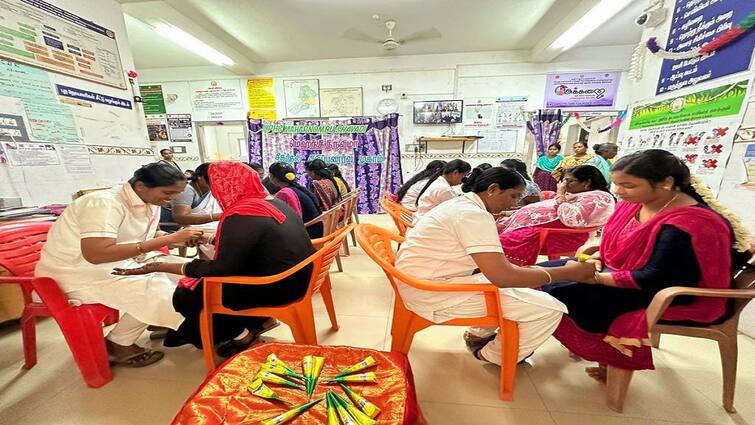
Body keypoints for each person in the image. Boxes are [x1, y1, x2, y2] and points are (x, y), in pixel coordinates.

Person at [541, 150, 752, 378]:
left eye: (628, 185)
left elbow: (655, 278)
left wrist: (592, 277)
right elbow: (615, 242)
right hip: (628, 274)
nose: (619, 192)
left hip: (664, 292)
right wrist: (597, 257)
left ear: (666, 183)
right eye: (617, 184)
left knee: (560, 290)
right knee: (547, 272)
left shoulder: (691, 224)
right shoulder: (637, 203)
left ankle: (608, 357)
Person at [395, 166, 596, 365]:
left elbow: (498, 270)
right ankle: (492, 356)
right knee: (550, 310)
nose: (514, 203)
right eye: (512, 196)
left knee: (519, 284)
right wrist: (568, 273)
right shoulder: (472, 214)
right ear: (492, 189)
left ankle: (478, 335)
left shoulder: (462, 205)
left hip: (422, 281)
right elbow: (502, 277)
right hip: (432, 291)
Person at [113, 161, 316, 355]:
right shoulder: (271, 203)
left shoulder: (241, 213)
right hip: (297, 279)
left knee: (188, 296)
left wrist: (161, 266)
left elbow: (222, 269)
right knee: (197, 284)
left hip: (275, 288)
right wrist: (210, 239)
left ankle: (242, 337)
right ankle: (257, 322)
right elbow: (254, 243)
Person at [36, 163, 203, 367]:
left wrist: (178, 239)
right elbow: (96, 253)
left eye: (176, 194)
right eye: (168, 193)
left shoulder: (149, 201)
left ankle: (166, 321)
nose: (172, 199)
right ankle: (118, 344)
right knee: (157, 289)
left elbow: (147, 236)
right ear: (141, 186)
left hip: (119, 261)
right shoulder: (102, 203)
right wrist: (170, 239)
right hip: (79, 272)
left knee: (191, 272)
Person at [498, 165, 615, 266]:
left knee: (499, 242)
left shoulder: (599, 197)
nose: (565, 185)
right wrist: (515, 213)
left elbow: (572, 218)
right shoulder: (581, 194)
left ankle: (507, 271)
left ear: (587, 182)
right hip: (544, 229)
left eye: (570, 181)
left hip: (559, 235)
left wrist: (560, 194)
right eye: (564, 181)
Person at [268, 162, 324, 238]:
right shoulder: (298, 188)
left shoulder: (285, 193)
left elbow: (295, 219)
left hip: (307, 236)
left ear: (272, 176)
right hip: (316, 231)